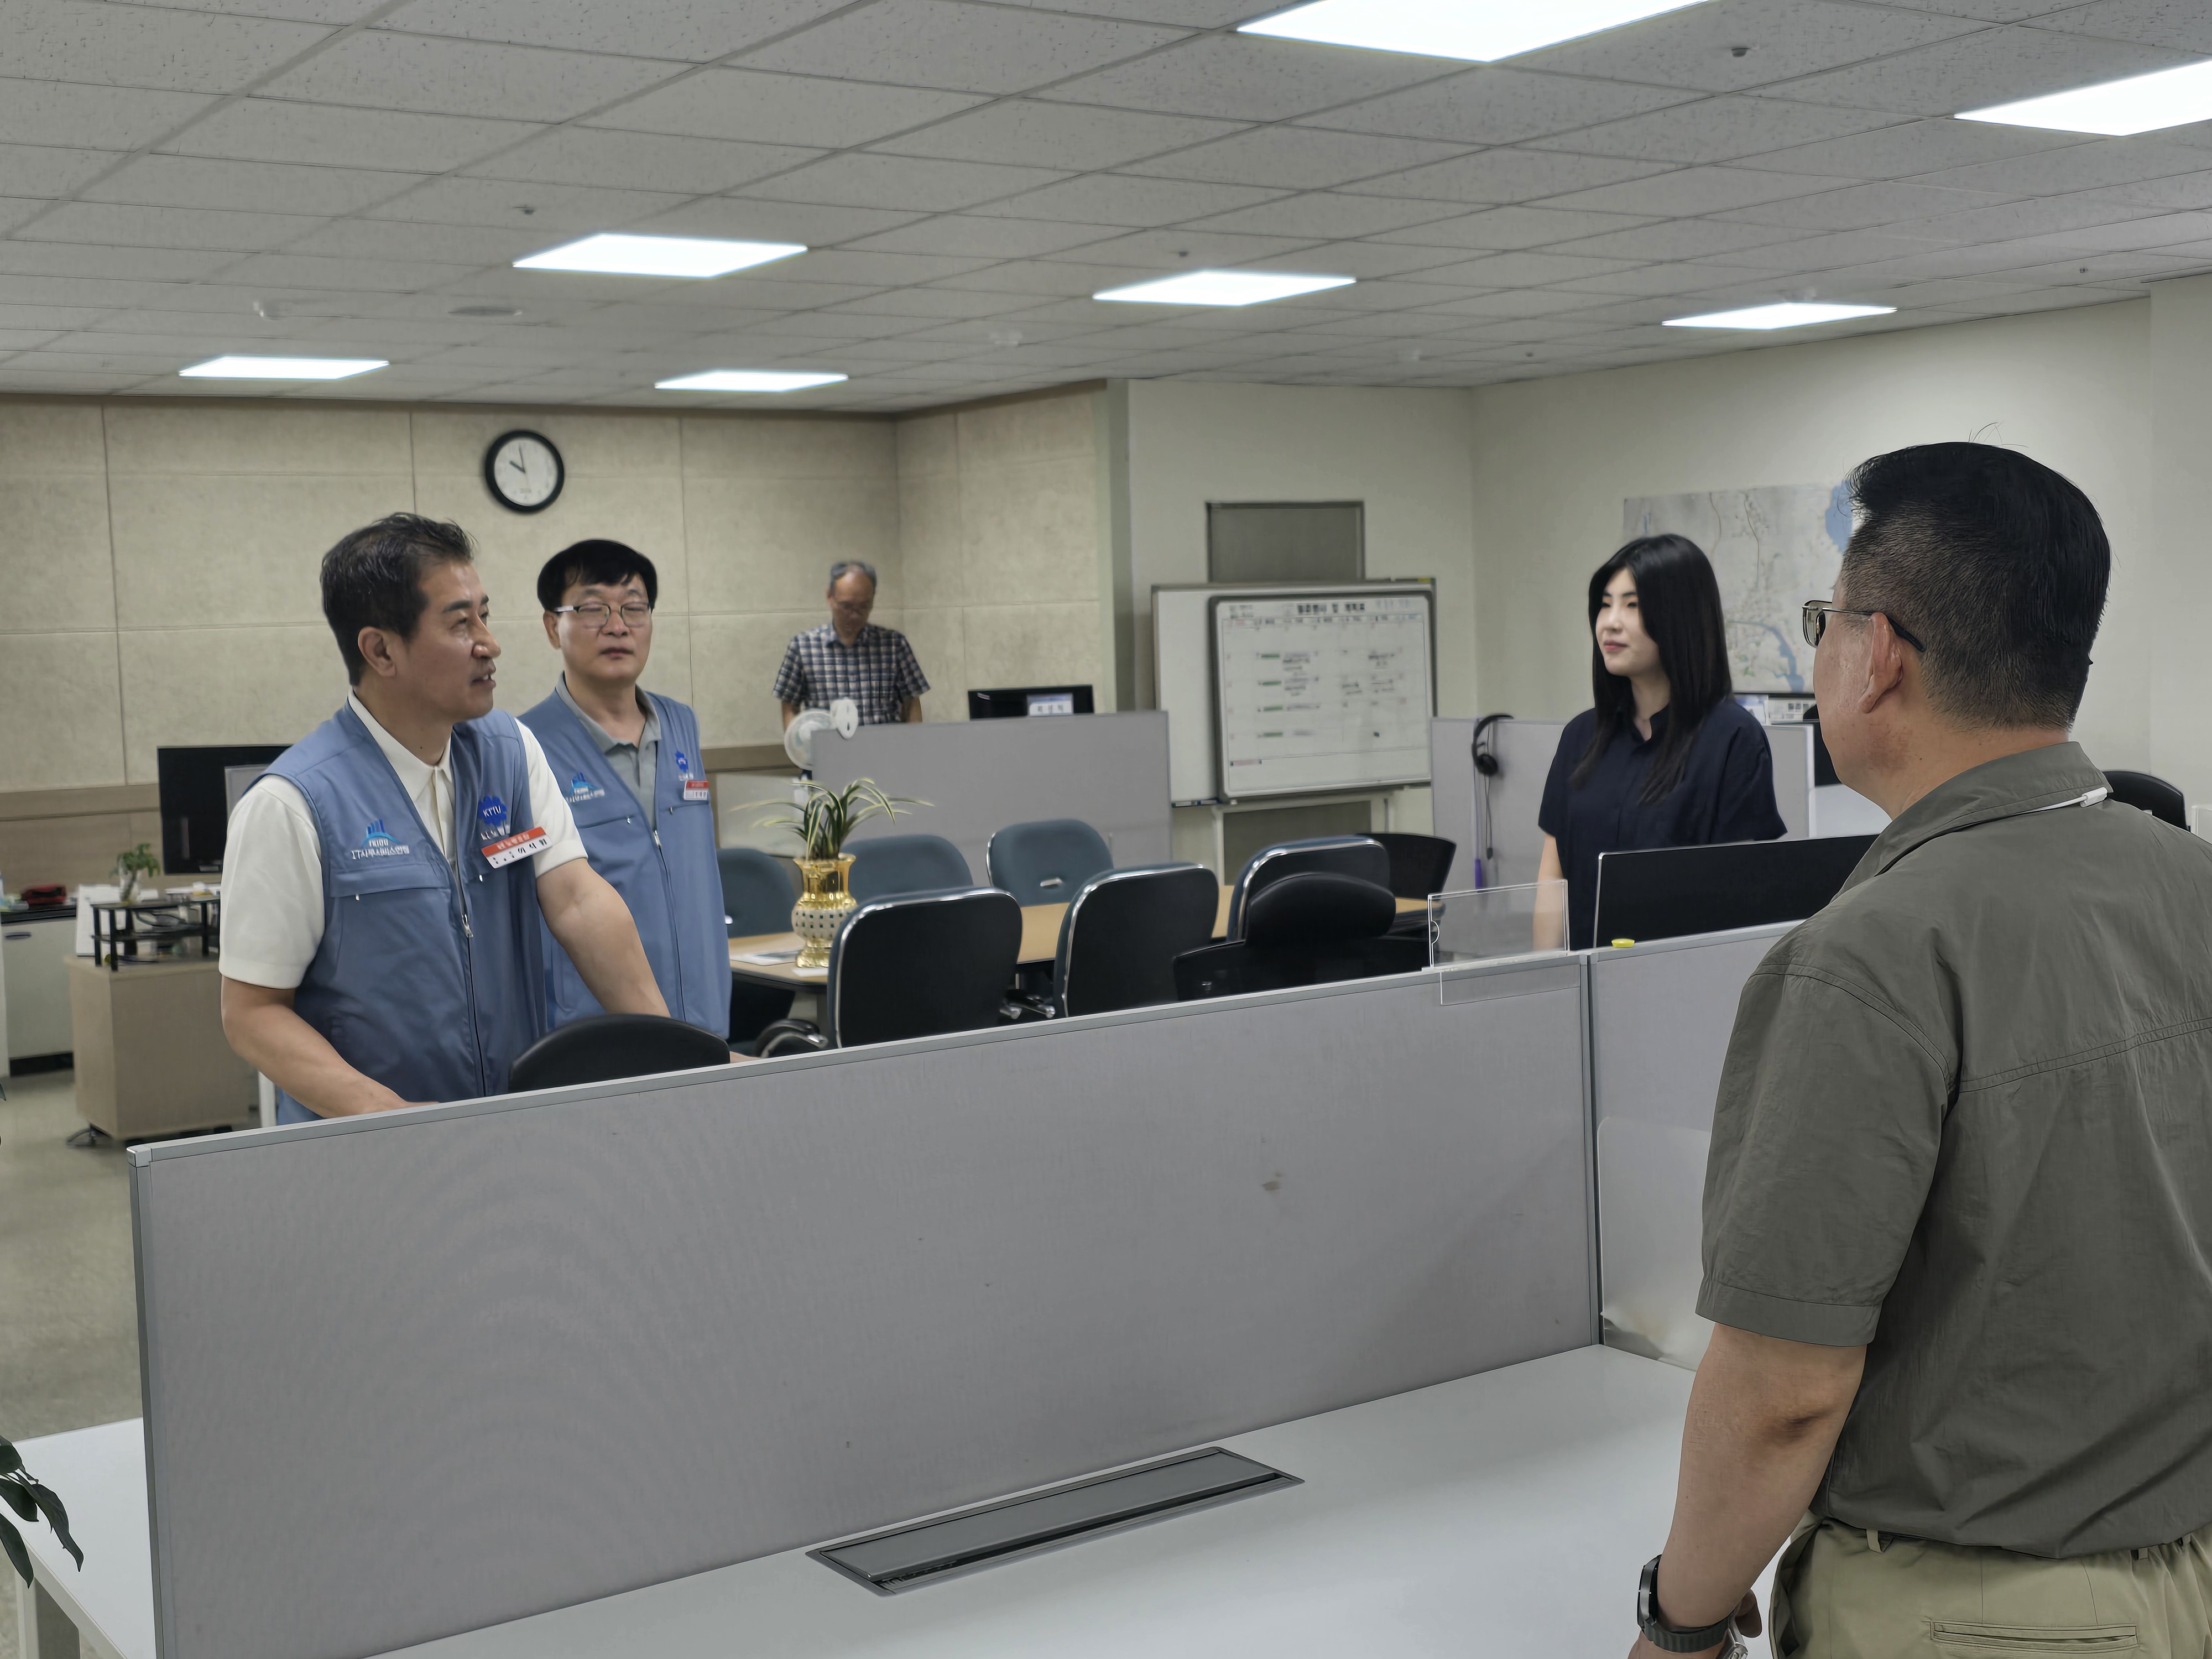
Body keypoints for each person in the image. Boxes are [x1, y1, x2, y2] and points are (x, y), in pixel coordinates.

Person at [1627, 443, 2212, 1659]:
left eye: (1825, 622)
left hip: (1980, 1613)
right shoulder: (2193, 882)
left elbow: (1784, 1395)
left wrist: (1680, 1624)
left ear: (1879, 653)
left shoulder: (1869, 955)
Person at [220, 515, 669, 1121]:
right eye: (461, 624)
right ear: (381, 650)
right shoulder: (291, 805)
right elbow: (251, 1013)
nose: (490, 643)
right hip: (371, 1146)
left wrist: (674, 1055)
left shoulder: (511, 753)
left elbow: (578, 901)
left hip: (511, 1124)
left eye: (484, 615)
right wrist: (395, 1118)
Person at [520, 539, 731, 1040]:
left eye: (634, 608)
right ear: (552, 626)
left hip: (704, 1020)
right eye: (592, 609)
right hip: (595, 1035)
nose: (617, 626)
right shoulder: (524, 747)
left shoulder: (681, 724)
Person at [1537, 534, 1785, 951]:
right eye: (1605, 605)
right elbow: (1553, 874)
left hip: (1680, 980)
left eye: (1632, 605)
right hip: (1584, 981)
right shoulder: (1580, 736)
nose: (1611, 622)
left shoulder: (1733, 739)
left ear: (1680, 615)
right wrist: (1546, 979)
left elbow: (1741, 900)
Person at [774, 559, 927, 729]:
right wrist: (797, 742)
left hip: (885, 744)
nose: (854, 615)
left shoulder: (894, 645)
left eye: (864, 606)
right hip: (828, 743)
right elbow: (790, 705)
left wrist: (915, 741)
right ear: (830, 597)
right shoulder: (802, 647)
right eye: (846, 606)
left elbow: (911, 704)